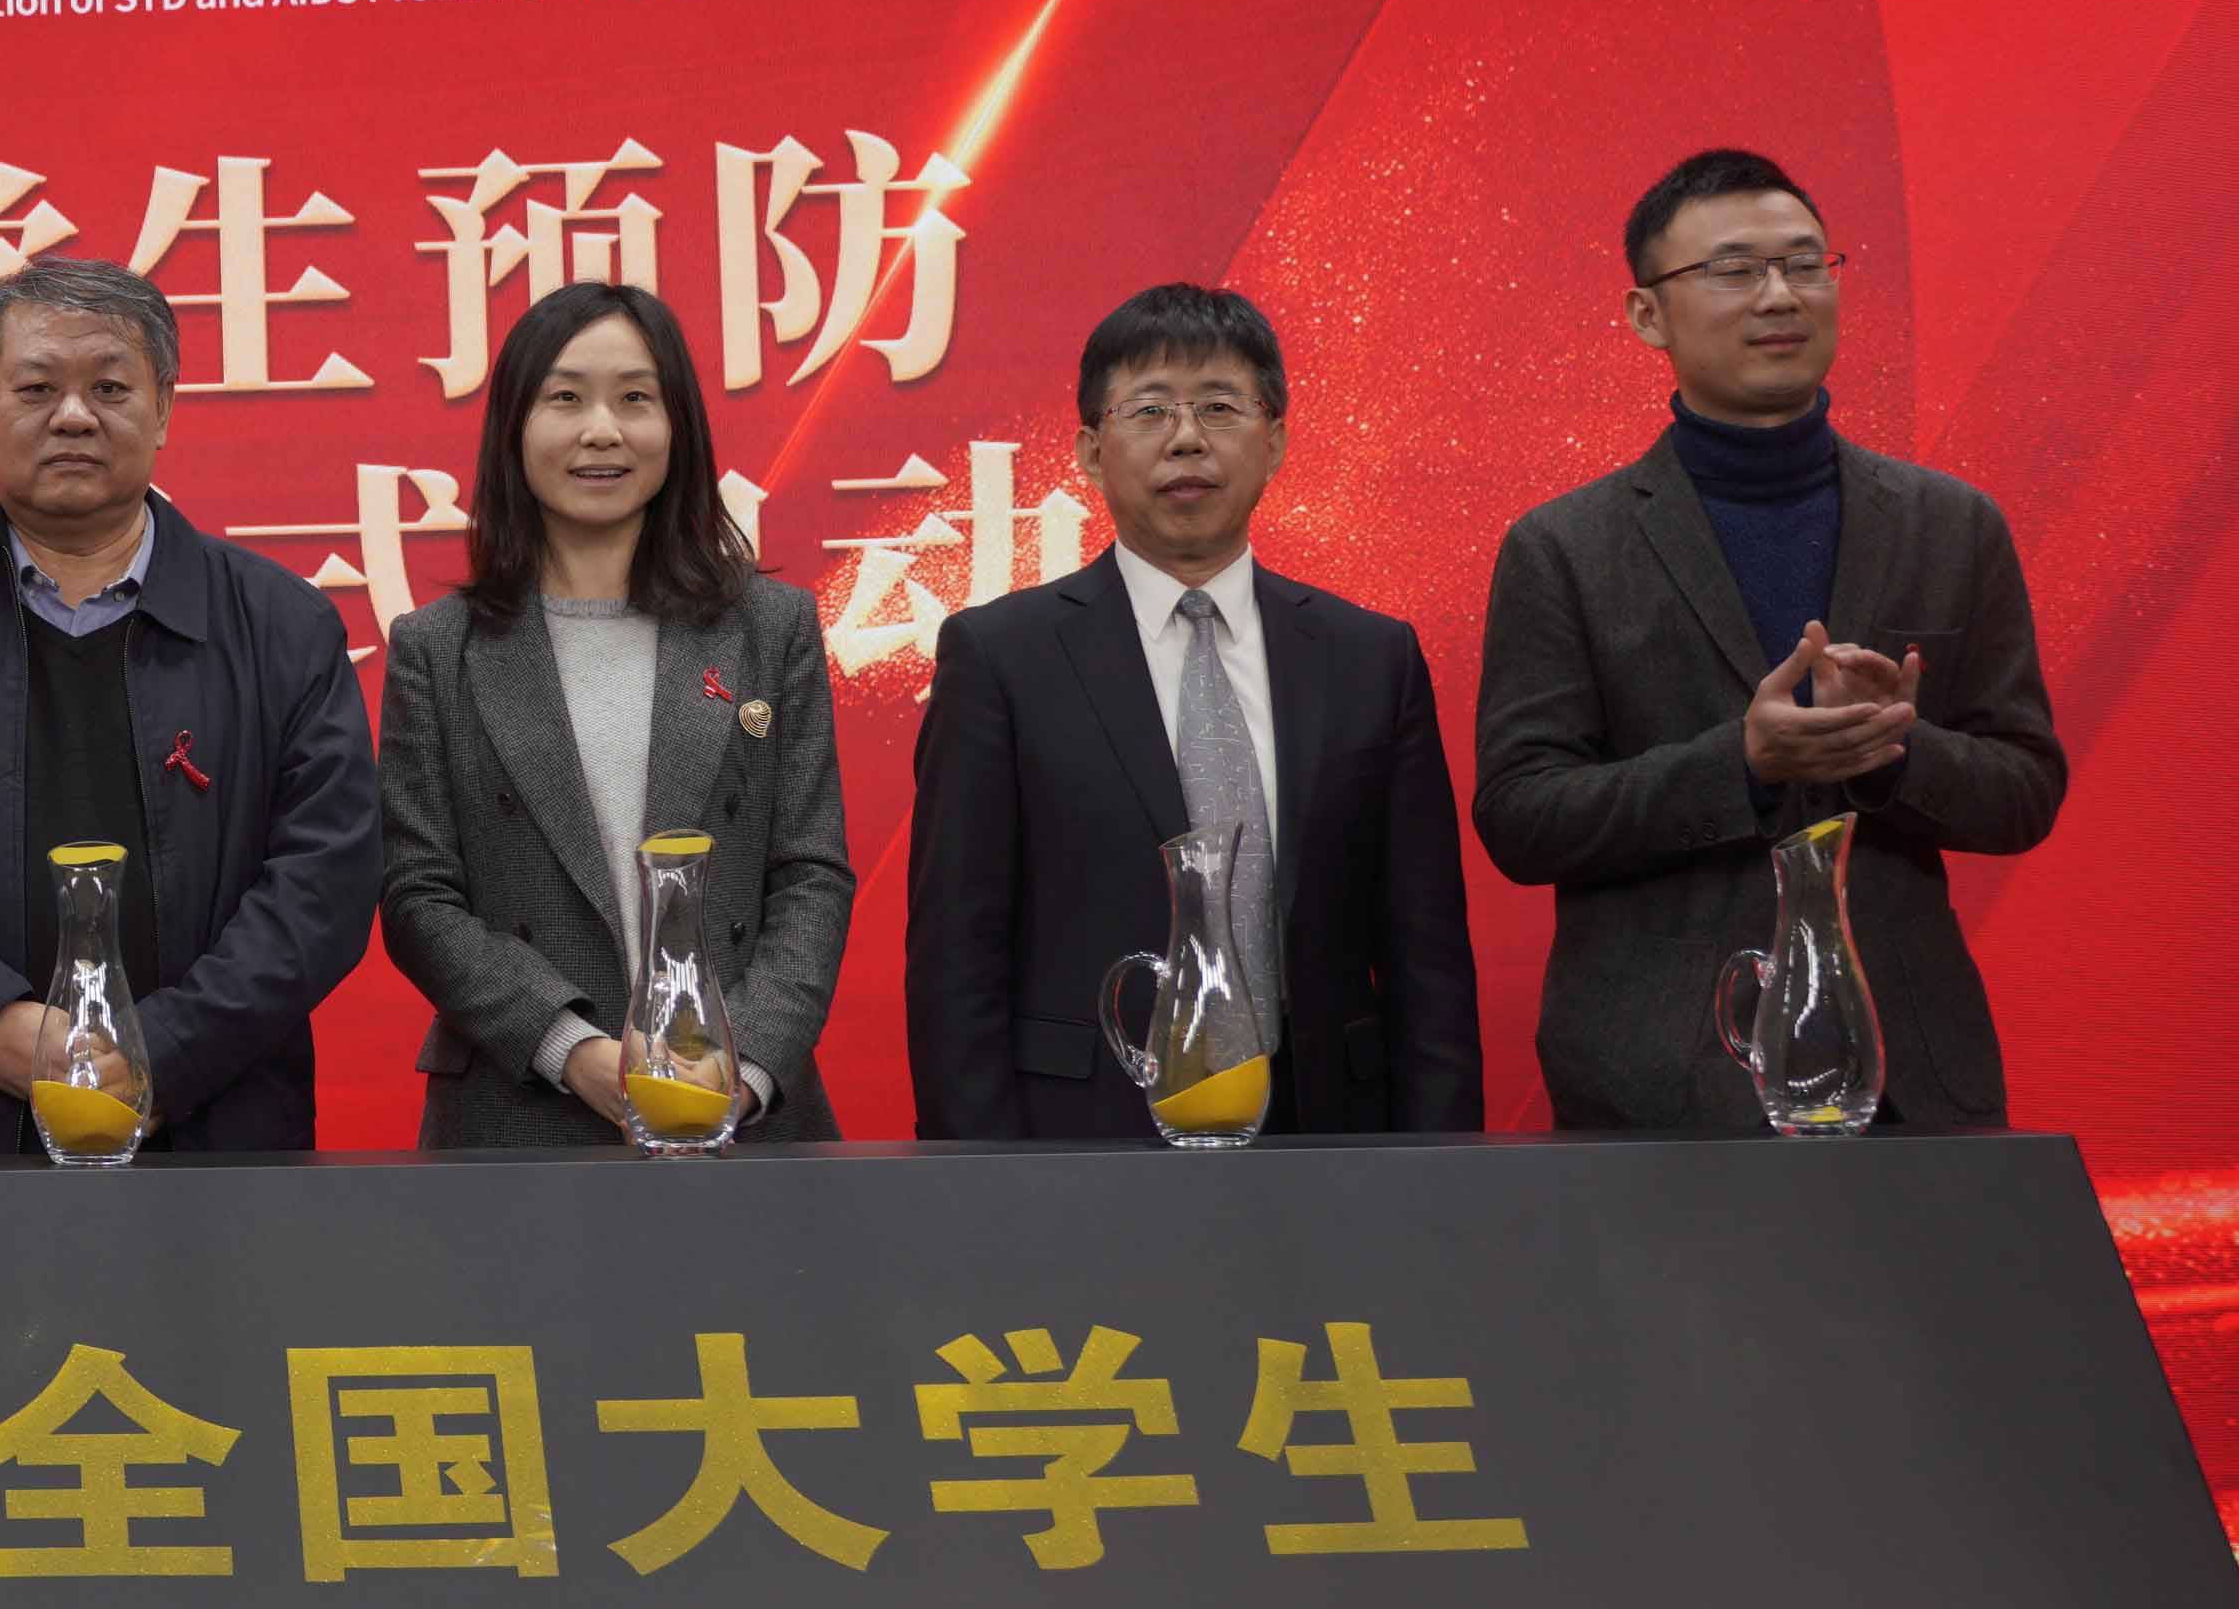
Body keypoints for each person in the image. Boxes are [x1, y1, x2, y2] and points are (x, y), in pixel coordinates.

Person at [1474, 148, 2064, 1128]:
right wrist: (1740, 764)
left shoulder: (1951, 524)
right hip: (1657, 1087)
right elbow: (1521, 817)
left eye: (1803, 264)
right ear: (1647, 315)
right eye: (1734, 269)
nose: (1779, 295)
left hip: (1910, 1083)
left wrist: (1891, 752)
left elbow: (2025, 790)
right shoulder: (1563, 547)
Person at [0, 258, 378, 1156]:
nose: (73, 415)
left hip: (217, 1132)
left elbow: (325, 878)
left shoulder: (282, 622)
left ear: (163, 409)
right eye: (36, 388)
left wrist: (162, 1051)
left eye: (109, 387)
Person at [908, 284, 1479, 1140]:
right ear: (1091, 451)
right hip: (1082, 1138)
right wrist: (984, 1181)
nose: (1186, 438)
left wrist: (1442, 1166)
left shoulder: (1370, 657)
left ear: (1274, 440)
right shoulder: (1001, 658)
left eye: (1219, 406)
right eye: (1150, 410)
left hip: (1330, 1133)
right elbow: (956, 957)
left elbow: (1426, 955)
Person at [378, 280, 848, 1147]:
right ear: (515, 427)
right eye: (565, 398)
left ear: (679, 427)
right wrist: (570, 1048)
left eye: (636, 398)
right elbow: (419, 895)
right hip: (519, 1113)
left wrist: (741, 1068)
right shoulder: (437, 648)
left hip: (743, 1118)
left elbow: (810, 873)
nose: (603, 430)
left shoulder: (770, 627)